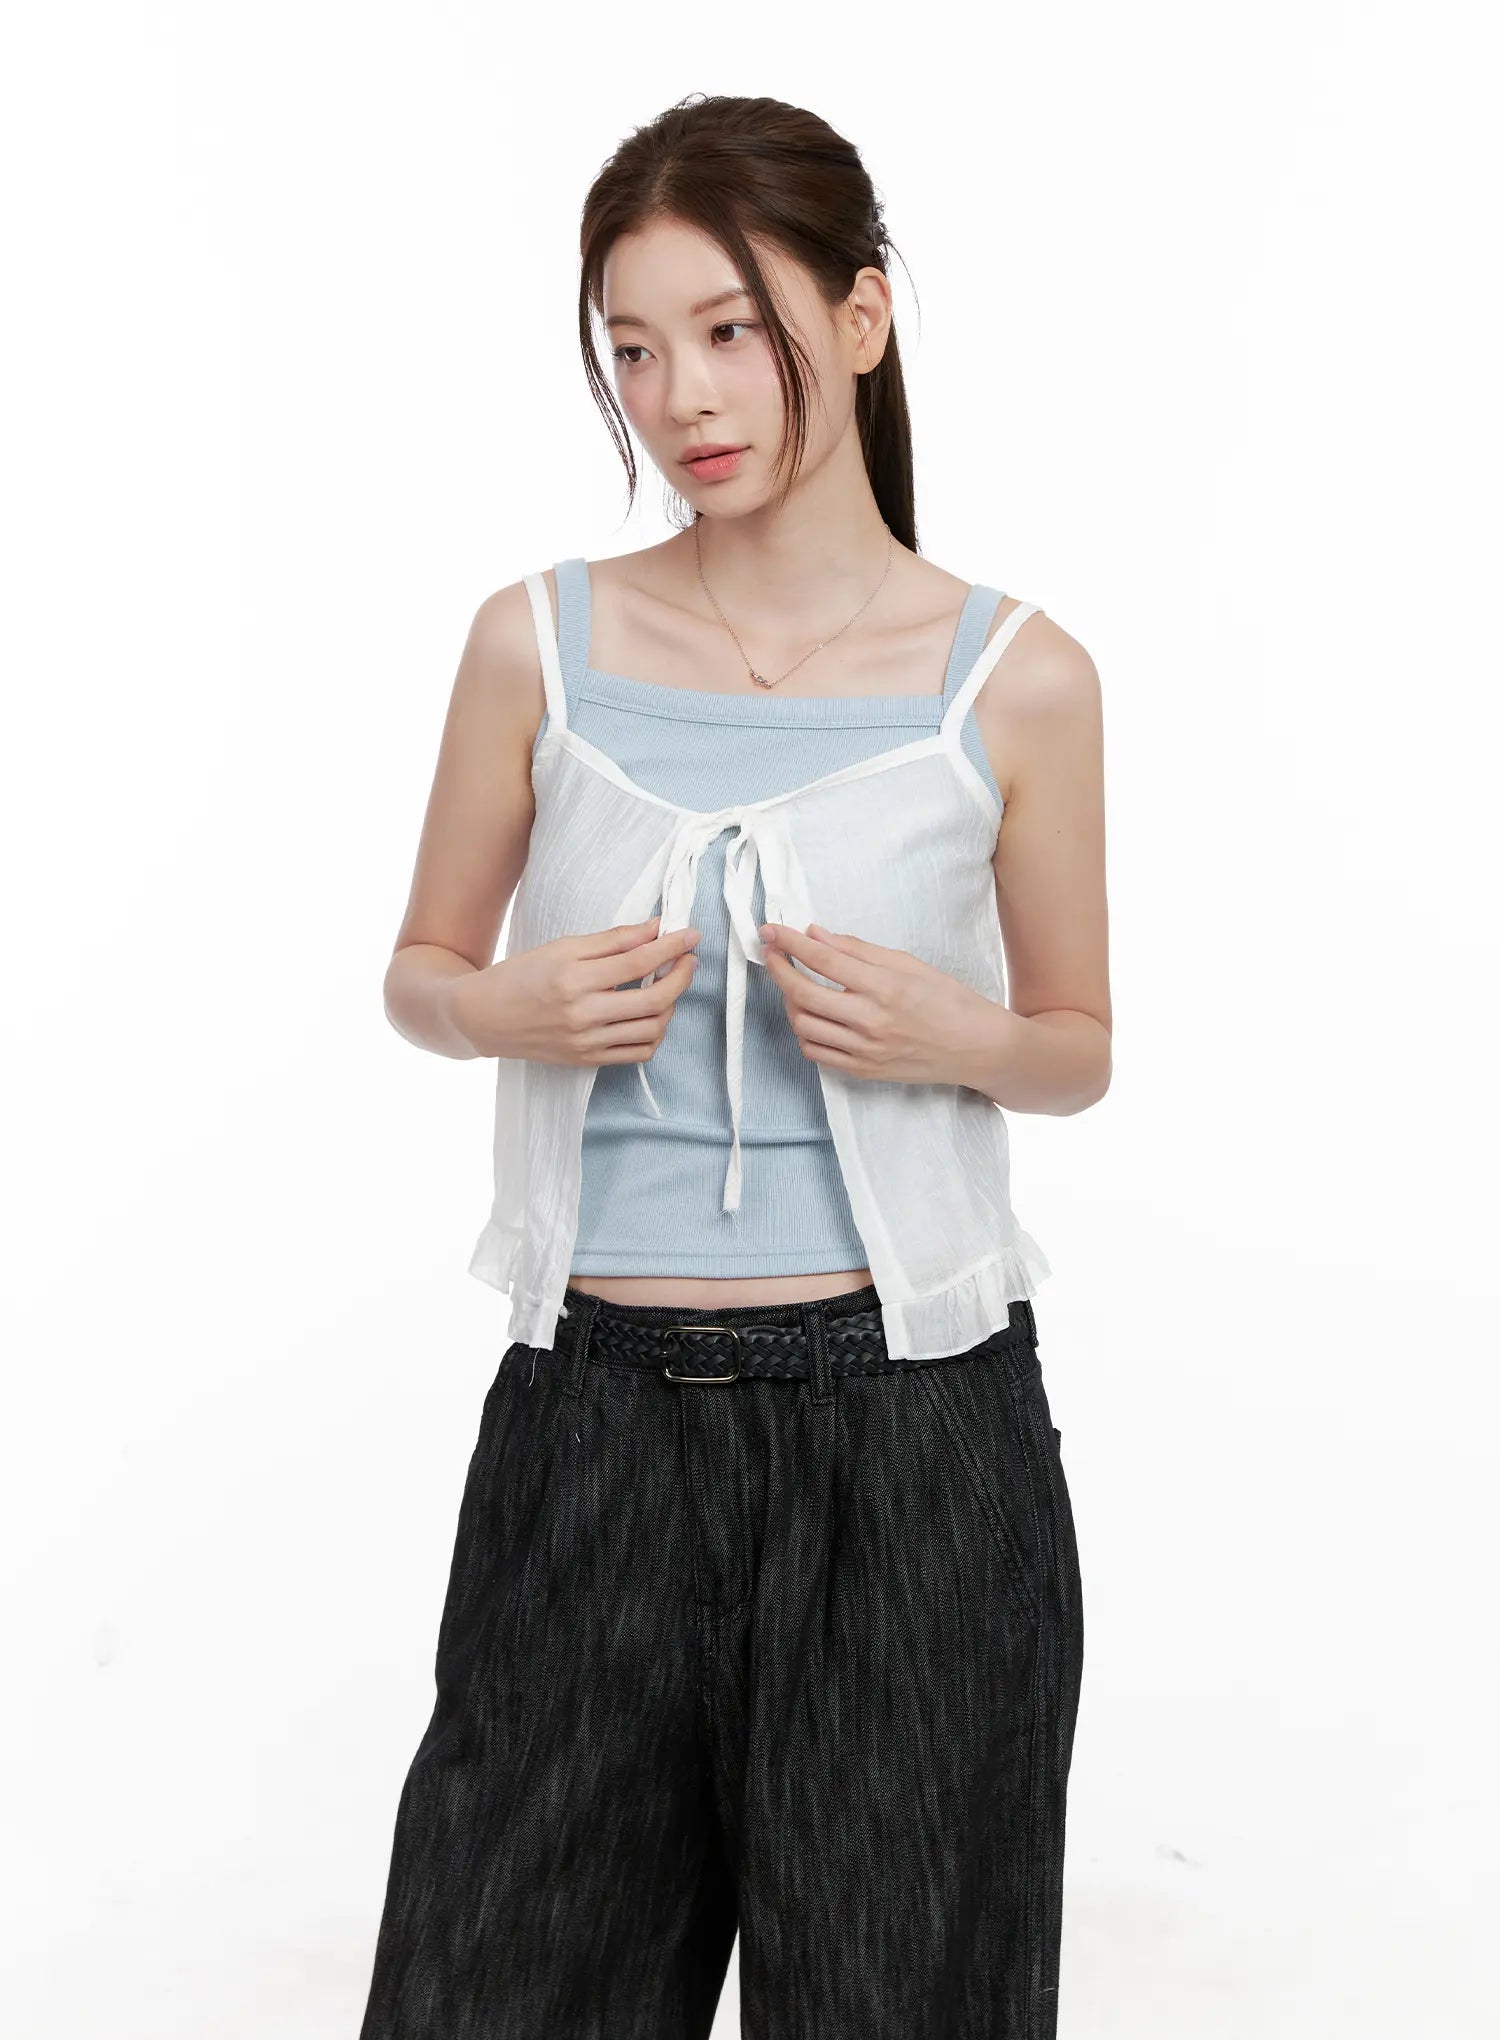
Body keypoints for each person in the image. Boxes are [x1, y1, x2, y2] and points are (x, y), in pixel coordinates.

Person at [360, 90, 1109, 2040]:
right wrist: (503, 1008)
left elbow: (1075, 1048)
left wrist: (960, 1038)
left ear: (860, 317)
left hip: (913, 1445)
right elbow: (423, 973)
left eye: (728, 328)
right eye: (631, 346)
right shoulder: (536, 644)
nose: (678, 394)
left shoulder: (1017, 677)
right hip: (591, 1427)